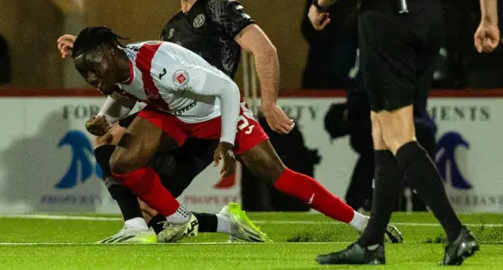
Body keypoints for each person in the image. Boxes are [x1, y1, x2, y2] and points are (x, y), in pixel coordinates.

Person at [57, 0, 294, 244]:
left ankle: (217, 223)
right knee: (108, 141)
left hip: (203, 120)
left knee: (155, 213)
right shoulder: (172, 26)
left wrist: (269, 103)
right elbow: (137, 69)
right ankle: (139, 226)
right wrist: (90, 51)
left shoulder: (221, 8)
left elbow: (264, 51)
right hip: (170, 117)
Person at [70, 26, 402, 244]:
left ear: (111, 53)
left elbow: (228, 89)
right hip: (172, 113)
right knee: (122, 162)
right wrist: (104, 118)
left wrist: (227, 142)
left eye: (93, 69)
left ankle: (362, 223)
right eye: (84, 73)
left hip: (219, 112)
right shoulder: (117, 69)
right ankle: (177, 217)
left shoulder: (165, 68)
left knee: (279, 177)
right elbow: (126, 93)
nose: (90, 78)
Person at [308, 0, 500, 265]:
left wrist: (319, 5)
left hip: (387, 15)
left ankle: (456, 233)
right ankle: (371, 243)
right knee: (384, 131)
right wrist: (489, 18)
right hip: (429, 13)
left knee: (398, 135)